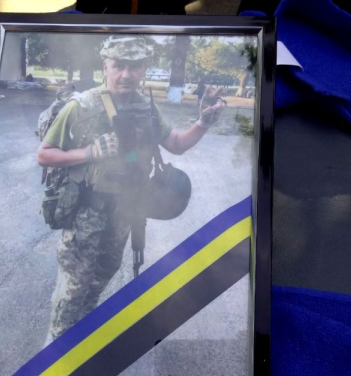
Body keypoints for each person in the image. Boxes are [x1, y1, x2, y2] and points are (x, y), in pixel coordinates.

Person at [37, 37, 226, 343]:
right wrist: (89, 152)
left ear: (144, 69)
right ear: (105, 67)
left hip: (124, 212)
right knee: (74, 284)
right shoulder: (81, 106)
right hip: (86, 211)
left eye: (134, 67)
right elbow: (45, 155)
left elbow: (175, 143)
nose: (126, 74)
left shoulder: (146, 106)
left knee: (102, 275)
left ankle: (79, 339)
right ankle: (54, 348)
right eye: (119, 66)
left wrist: (202, 123)